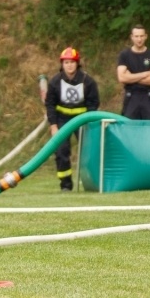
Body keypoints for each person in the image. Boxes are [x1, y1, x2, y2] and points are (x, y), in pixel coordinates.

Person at [44, 47, 99, 192]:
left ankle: (91, 181)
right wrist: (53, 125)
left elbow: (94, 103)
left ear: (77, 63)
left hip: (83, 120)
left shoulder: (88, 81)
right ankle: (66, 185)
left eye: (72, 62)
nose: (69, 65)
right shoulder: (55, 82)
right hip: (62, 120)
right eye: (66, 62)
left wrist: (89, 121)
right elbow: (50, 104)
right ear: (62, 64)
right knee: (61, 151)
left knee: (89, 151)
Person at [117, 24, 150, 119]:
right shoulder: (124, 55)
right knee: (130, 128)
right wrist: (145, 74)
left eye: (141, 36)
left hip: (147, 96)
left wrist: (131, 77)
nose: (139, 39)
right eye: (136, 36)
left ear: (146, 36)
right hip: (131, 96)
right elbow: (121, 78)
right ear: (131, 37)